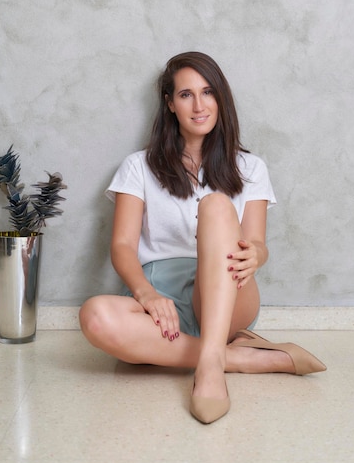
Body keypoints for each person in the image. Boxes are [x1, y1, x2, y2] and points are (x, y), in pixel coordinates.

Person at [79, 51, 326, 424]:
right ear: (170, 104)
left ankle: (209, 368)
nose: (199, 105)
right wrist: (147, 294)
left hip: (227, 291)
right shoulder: (138, 166)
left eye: (208, 92)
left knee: (215, 206)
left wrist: (256, 254)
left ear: (220, 98)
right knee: (95, 316)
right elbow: (123, 246)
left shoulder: (251, 167)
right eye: (185, 95)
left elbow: (257, 242)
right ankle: (238, 356)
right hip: (159, 300)